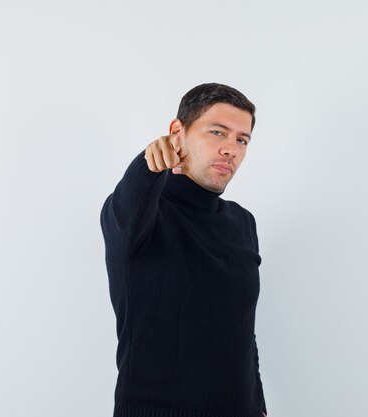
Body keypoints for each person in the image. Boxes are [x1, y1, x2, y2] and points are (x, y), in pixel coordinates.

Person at [100, 83, 267, 417]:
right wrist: (147, 164)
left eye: (241, 139)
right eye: (217, 132)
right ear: (178, 132)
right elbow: (130, 205)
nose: (230, 149)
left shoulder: (242, 222)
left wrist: (259, 406)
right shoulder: (140, 215)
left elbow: (242, 332)